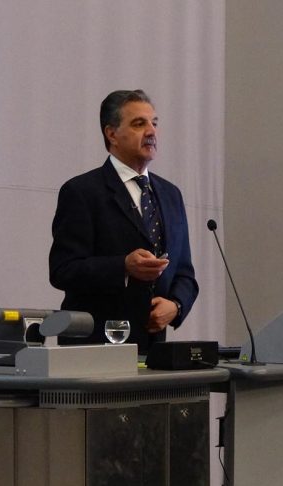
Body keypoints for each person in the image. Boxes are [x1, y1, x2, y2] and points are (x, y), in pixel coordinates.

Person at [49, 89, 198, 352]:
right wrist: (123, 266)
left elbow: (184, 272)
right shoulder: (82, 191)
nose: (151, 132)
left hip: (153, 349)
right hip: (94, 347)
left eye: (154, 123)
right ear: (112, 134)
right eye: (139, 124)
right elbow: (63, 270)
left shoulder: (170, 194)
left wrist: (176, 305)